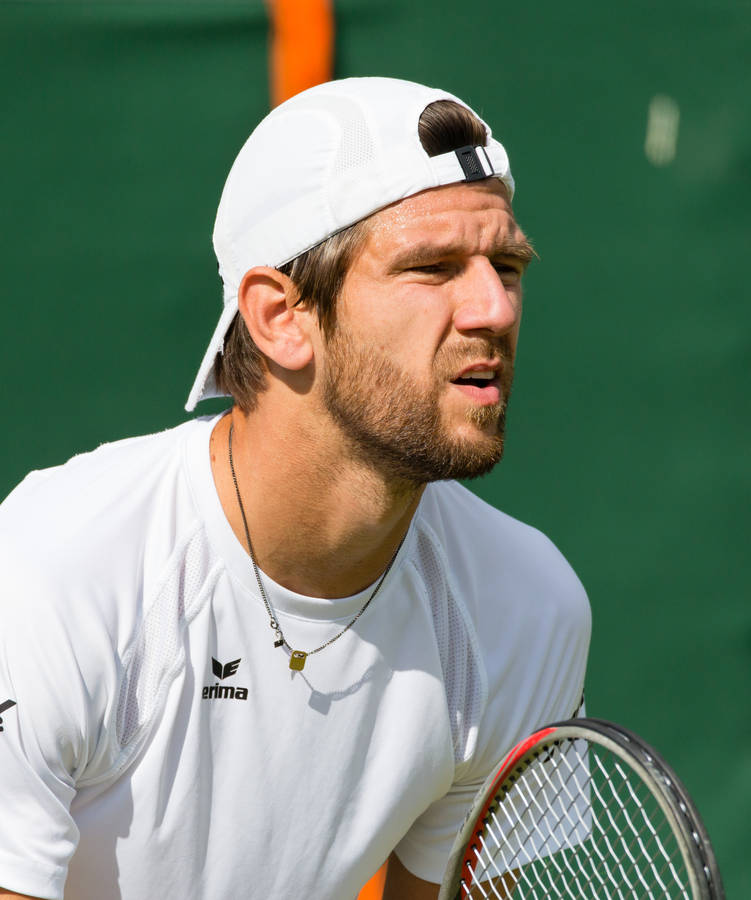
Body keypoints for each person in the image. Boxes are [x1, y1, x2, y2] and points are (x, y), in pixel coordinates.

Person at [0, 77, 590, 899]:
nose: (492, 306)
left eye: (505, 265)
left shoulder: (527, 612)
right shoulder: (49, 574)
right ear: (280, 317)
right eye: (432, 268)